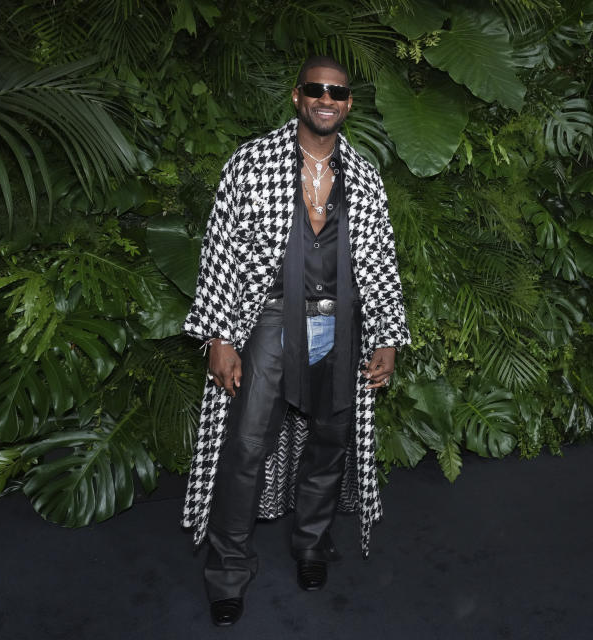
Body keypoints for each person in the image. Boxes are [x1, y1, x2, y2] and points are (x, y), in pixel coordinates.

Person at [181, 55, 410, 627]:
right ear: (297, 96)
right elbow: (220, 252)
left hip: (338, 318)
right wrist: (220, 335)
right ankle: (228, 570)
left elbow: (380, 260)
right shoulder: (252, 162)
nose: (326, 98)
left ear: (349, 103)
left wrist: (386, 335)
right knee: (246, 443)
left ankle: (310, 542)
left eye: (337, 91)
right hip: (269, 317)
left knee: (331, 436)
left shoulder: (362, 174)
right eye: (316, 88)